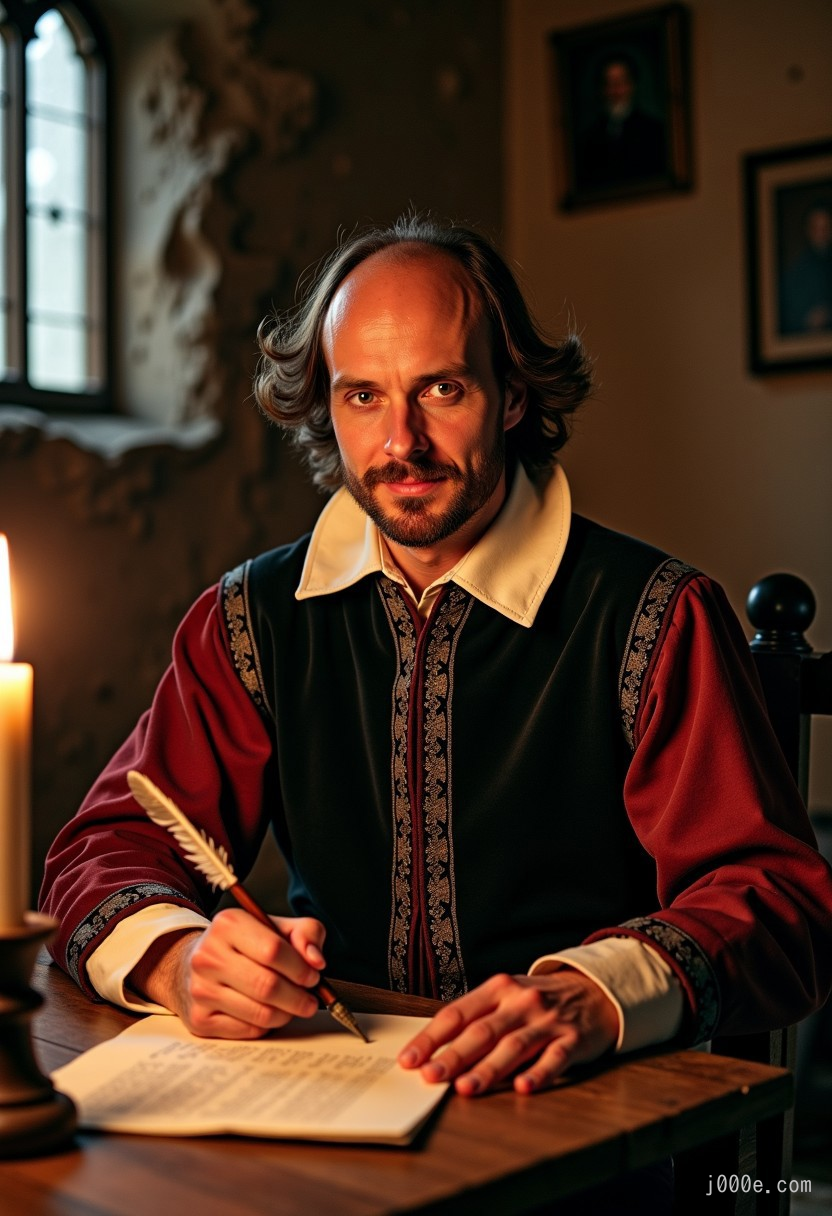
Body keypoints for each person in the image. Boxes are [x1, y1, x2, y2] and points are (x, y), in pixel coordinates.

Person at [41, 216, 832, 1115]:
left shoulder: (654, 615)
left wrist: (602, 991)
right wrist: (178, 961)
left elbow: (777, 903)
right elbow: (103, 847)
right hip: (326, 1103)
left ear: (514, 396)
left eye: (442, 389)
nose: (400, 443)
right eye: (362, 397)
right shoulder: (250, 620)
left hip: (588, 1112)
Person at [575, 53, 667, 192]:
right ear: (602, 89)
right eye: (610, 83)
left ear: (632, 85)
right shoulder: (589, 137)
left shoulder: (653, 129)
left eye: (621, 82)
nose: (616, 90)